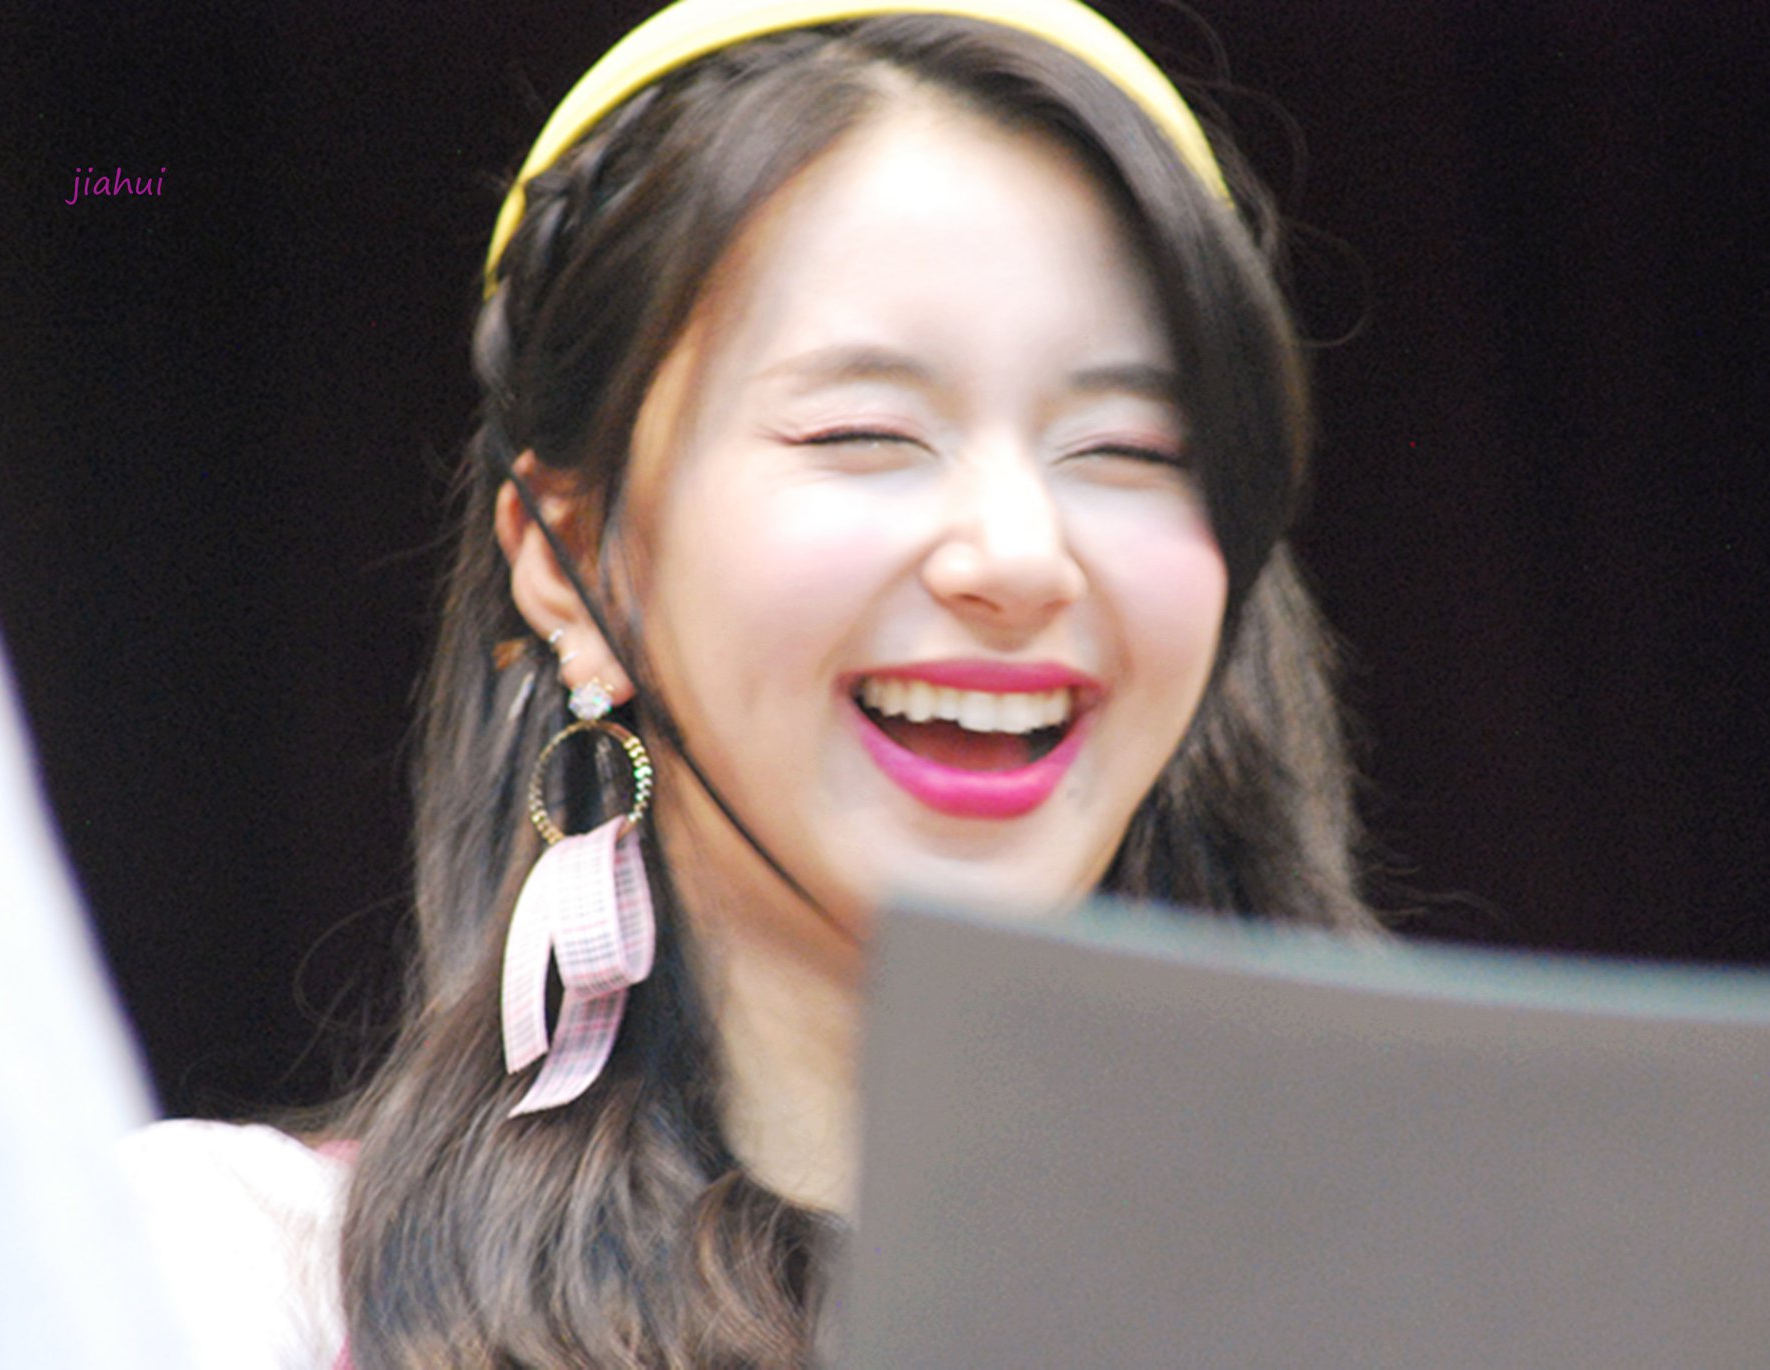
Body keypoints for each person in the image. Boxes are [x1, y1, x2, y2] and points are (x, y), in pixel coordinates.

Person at [122, 1, 1383, 1363]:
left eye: (1129, 449)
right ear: (571, 562)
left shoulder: (1453, 1279)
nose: (1021, 556)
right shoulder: (211, 1291)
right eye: (864, 431)